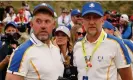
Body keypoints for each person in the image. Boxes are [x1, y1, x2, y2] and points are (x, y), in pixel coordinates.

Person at [73, 2, 132, 80]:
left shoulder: (116, 44)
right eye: (88, 18)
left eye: (95, 17)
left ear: (102, 20)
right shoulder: (78, 45)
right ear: (83, 21)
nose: (91, 22)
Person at [6, 3, 64, 80]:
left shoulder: (55, 49)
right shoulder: (21, 52)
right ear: (31, 24)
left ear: (53, 25)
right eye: (38, 21)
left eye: (47, 21)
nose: (43, 26)